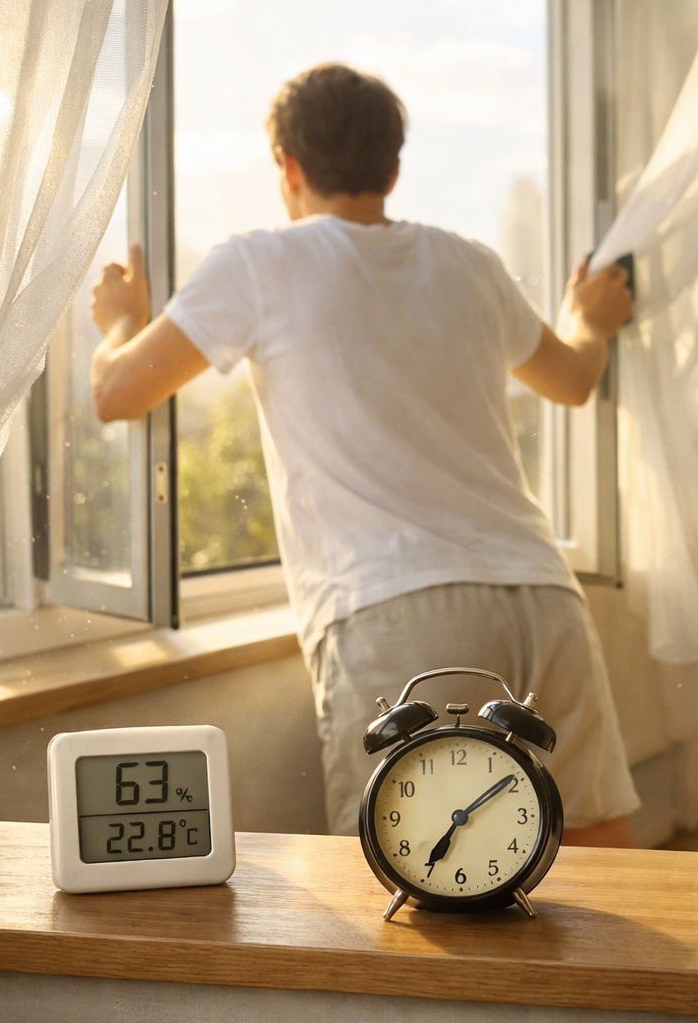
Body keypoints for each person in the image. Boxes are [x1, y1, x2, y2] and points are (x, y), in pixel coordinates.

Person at [88, 63, 638, 846]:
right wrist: (587, 319)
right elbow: (574, 379)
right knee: (598, 863)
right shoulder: (471, 263)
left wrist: (117, 320)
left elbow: (117, 394)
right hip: (541, 596)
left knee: (406, 887)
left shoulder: (258, 263)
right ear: (393, 168)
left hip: (400, 613)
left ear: (288, 166)